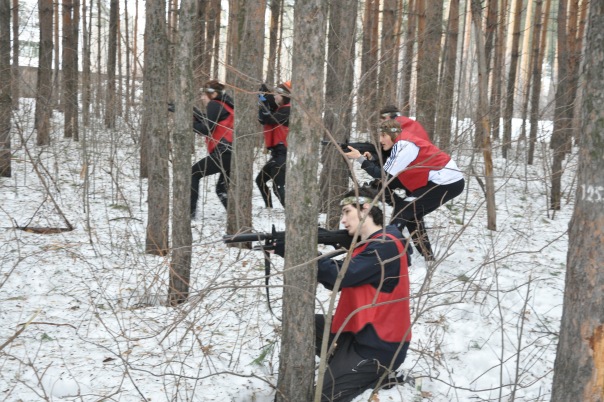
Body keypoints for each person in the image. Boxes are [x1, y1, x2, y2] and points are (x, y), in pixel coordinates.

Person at [312, 187, 412, 402]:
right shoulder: (371, 244)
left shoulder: (384, 245)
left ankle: (376, 375)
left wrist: (308, 256)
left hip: (377, 348)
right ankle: (345, 369)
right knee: (305, 323)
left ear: (365, 208)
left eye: (347, 212)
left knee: (323, 398)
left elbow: (344, 275)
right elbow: (338, 282)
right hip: (356, 334)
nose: (343, 220)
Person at [346, 119, 464, 260]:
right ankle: (428, 258)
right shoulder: (402, 142)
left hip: (447, 182)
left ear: (392, 135)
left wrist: (359, 158)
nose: (380, 140)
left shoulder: (404, 146)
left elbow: (383, 175)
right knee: (412, 216)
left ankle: (385, 252)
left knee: (404, 211)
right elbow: (387, 168)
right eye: (380, 136)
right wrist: (370, 159)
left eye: (383, 136)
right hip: (441, 181)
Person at [190, 80, 234, 218]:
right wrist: (195, 113)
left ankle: (189, 214)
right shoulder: (226, 105)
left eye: (204, 94)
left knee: (193, 173)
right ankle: (234, 216)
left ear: (213, 94)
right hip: (232, 153)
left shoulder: (214, 104)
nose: (202, 97)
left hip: (223, 153)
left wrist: (189, 122)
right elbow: (212, 122)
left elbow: (206, 129)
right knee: (221, 188)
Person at [255, 81, 291, 208]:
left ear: (285, 96)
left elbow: (269, 118)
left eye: (277, 95)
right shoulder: (281, 108)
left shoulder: (287, 110)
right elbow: (271, 107)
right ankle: (269, 208)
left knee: (278, 188)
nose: (275, 97)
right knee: (260, 181)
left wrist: (262, 102)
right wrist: (264, 93)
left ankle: (292, 213)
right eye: (274, 94)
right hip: (277, 155)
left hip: (283, 155)